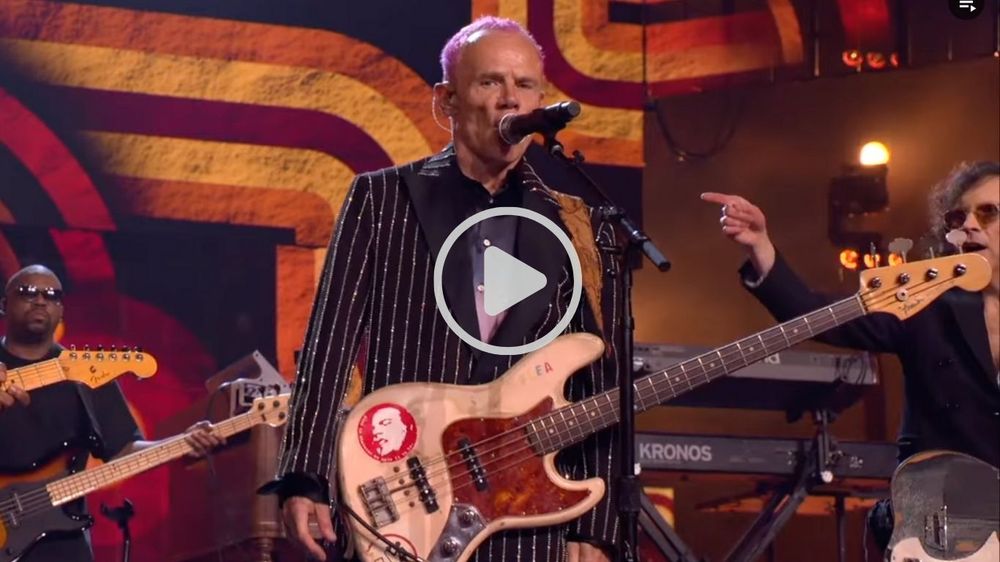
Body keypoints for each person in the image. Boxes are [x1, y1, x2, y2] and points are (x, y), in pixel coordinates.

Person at [268, 16, 623, 562]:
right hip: (407, 502)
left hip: (528, 521)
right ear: (447, 100)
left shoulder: (576, 224)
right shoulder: (382, 200)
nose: (510, 98)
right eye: (490, 82)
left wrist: (595, 529)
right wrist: (304, 479)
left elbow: (600, 384)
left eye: (525, 85)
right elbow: (328, 346)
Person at [702, 160, 1000, 550]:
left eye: (988, 212)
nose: (970, 225)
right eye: (958, 217)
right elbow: (815, 316)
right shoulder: (925, 306)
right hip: (939, 528)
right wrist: (760, 245)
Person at [0, 264, 226, 562]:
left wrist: (182, 442)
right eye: (28, 292)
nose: (41, 300)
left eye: (52, 295)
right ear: (4, 304)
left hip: (63, 541)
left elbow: (125, 449)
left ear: (62, 310)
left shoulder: (89, 373)